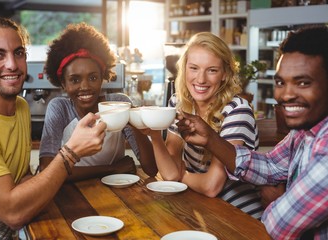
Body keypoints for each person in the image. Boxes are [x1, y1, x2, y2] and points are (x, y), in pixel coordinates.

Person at [176, 25, 328, 239]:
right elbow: (271, 165)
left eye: (303, 82)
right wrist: (211, 139)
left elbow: (277, 225)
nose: (287, 95)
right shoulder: (304, 132)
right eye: (281, 82)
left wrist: (280, 199)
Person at [0, 17, 107, 239]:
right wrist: (70, 153)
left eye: (19, 53)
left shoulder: (20, 107)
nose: (12, 64)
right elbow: (13, 212)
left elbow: (22, 180)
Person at [141, 32, 264, 219]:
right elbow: (170, 174)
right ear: (184, 69)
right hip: (204, 210)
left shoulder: (237, 111)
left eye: (212, 70)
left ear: (225, 74)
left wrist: (184, 176)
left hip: (240, 216)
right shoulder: (179, 103)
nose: (200, 79)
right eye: (194, 68)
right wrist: (156, 136)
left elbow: (211, 186)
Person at [39, 22, 157, 181]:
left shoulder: (120, 103)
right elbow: (47, 171)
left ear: (103, 77)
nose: (85, 86)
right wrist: (111, 169)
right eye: (75, 80)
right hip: (73, 196)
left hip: (116, 193)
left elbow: (151, 169)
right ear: (63, 83)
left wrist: (135, 124)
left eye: (93, 77)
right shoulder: (60, 108)